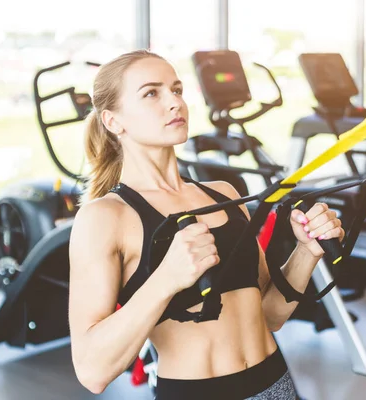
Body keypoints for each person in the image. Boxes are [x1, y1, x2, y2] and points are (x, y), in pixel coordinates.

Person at [68, 49, 345, 400]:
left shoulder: (223, 194)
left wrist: (307, 251)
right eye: (152, 93)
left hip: (276, 385)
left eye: (177, 89)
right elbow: (92, 372)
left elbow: (270, 315)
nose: (175, 103)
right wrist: (166, 279)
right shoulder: (105, 217)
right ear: (112, 121)